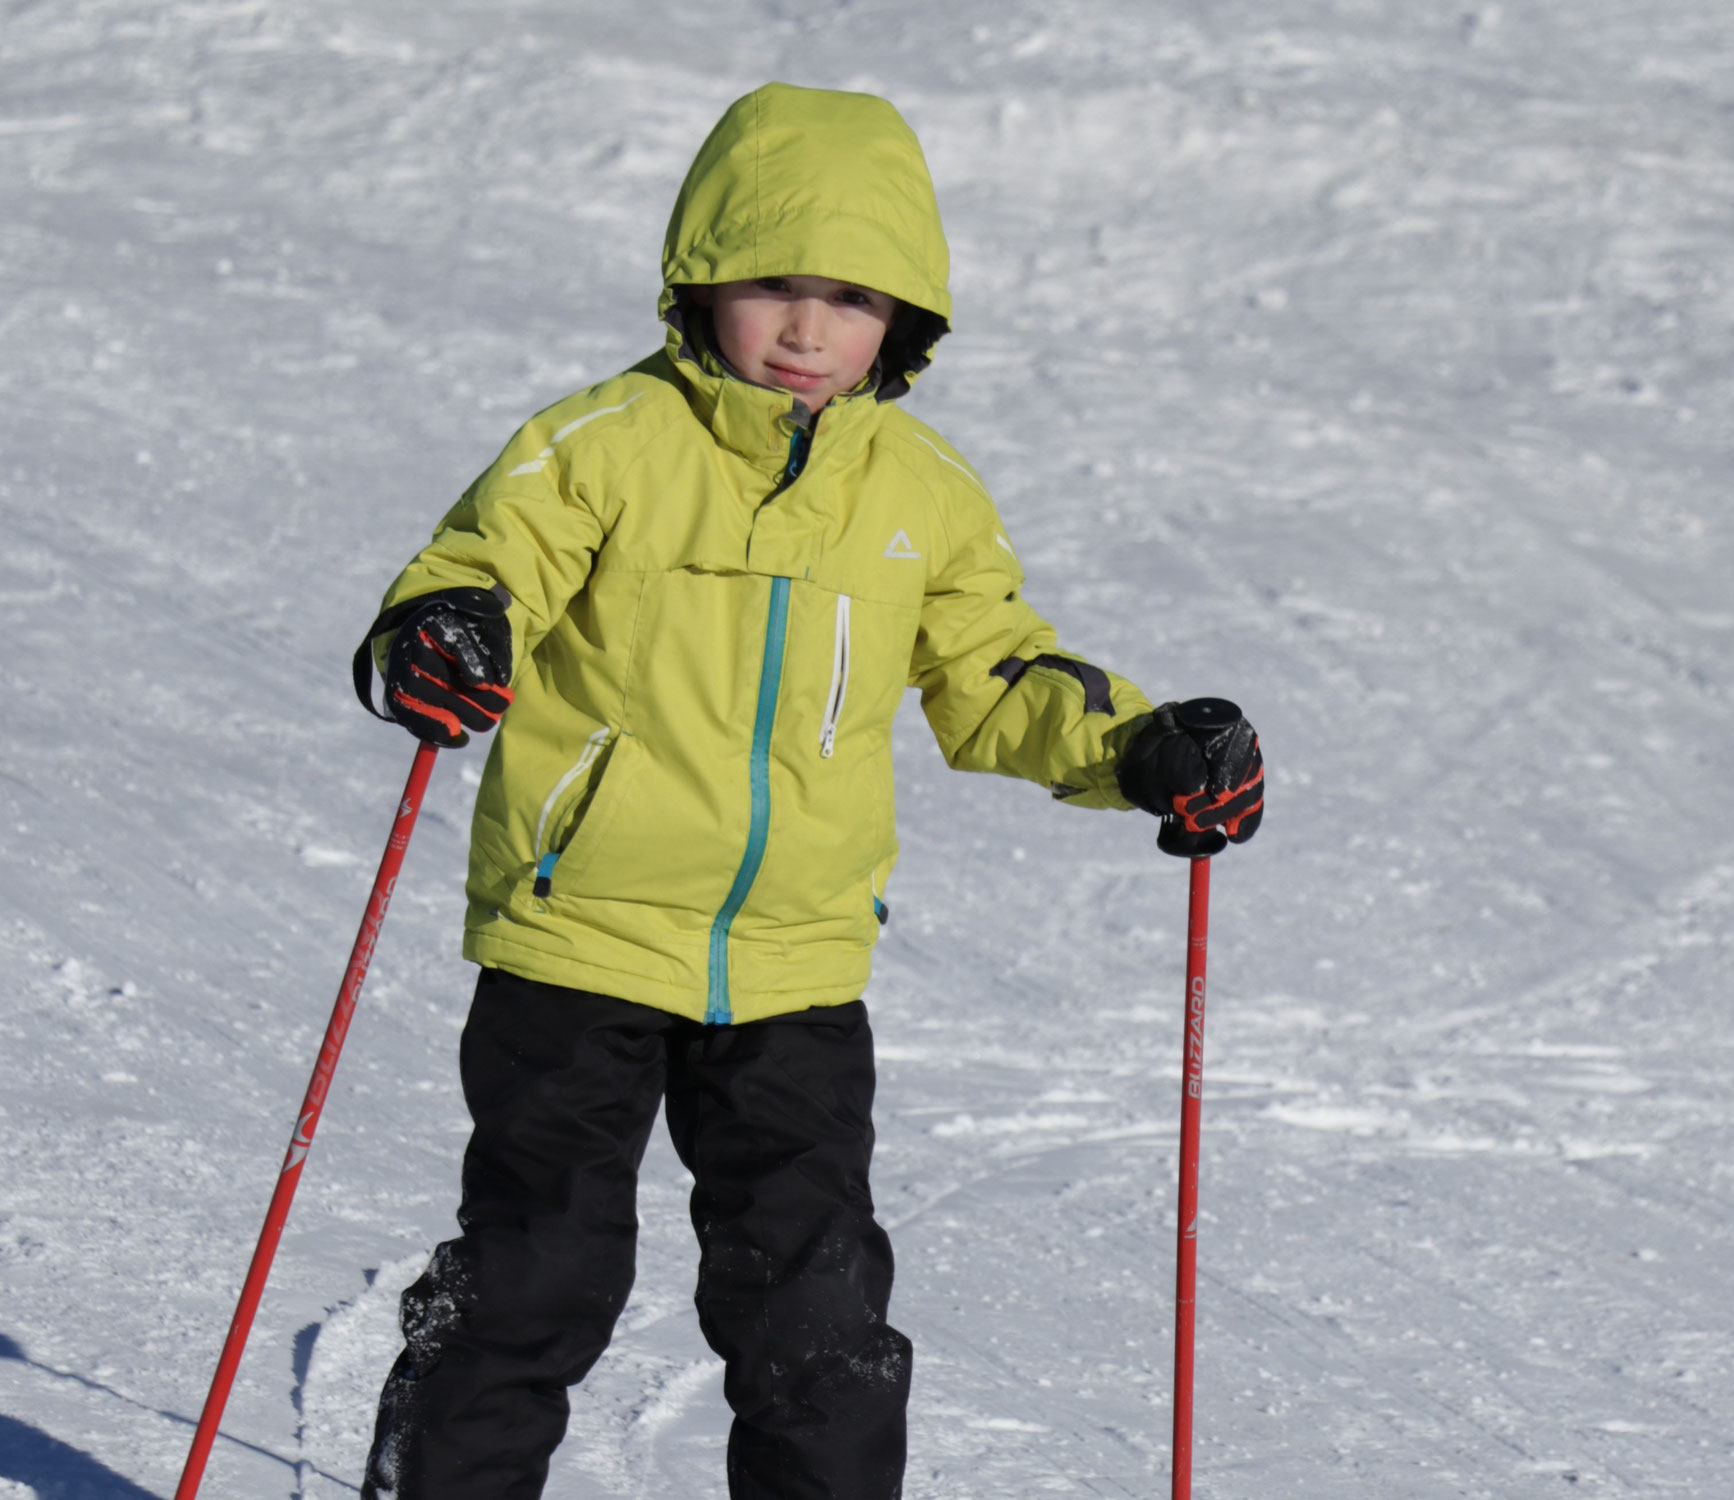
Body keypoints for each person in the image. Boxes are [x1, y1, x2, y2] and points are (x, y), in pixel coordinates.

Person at [350, 81, 1263, 1500]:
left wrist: (1140, 750)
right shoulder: (601, 446)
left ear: (905, 319)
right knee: (545, 1277)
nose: (805, 329)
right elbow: (480, 570)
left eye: (851, 296)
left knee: (816, 1318)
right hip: (577, 935)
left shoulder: (922, 493)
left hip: (795, 967)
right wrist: (443, 636)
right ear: (702, 279)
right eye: (775, 283)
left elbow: (999, 672)